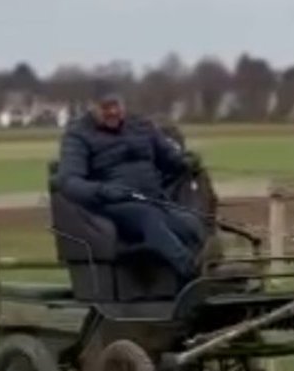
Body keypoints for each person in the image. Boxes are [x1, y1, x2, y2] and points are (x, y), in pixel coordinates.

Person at [57, 93, 205, 280]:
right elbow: (69, 182)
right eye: (105, 107)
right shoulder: (78, 136)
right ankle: (191, 271)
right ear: (92, 108)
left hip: (152, 199)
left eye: (116, 106)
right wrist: (103, 191)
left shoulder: (141, 126)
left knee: (189, 223)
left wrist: (185, 162)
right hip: (113, 205)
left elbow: (168, 158)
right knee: (148, 217)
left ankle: (198, 272)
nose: (113, 112)